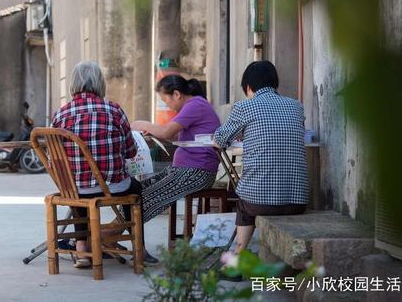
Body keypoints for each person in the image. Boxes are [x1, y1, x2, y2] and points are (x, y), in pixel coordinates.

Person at [51, 61, 156, 268]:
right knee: (136, 189)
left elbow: (53, 161)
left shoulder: (60, 115)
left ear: (73, 85)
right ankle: (139, 249)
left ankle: (82, 250)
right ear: (100, 84)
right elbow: (130, 152)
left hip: (77, 189)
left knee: (75, 187)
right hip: (113, 188)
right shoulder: (114, 110)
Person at [214, 60, 308, 254]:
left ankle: (237, 260)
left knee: (243, 205)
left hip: (260, 203)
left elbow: (219, 140)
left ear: (248, 87)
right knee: (251, 197)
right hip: (298, 201)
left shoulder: (244, 107)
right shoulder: (296, 106)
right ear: (275, 83)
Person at [131, 75, 221, 224]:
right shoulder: (194, 105)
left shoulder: (195, 105)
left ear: (177, 94)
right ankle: (114, 233)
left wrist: (143, 124)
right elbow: (175, 137)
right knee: (137, 191)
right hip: (184, 169)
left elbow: (167, 131)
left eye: (166, 101)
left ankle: (111, 234)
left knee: (146, 198)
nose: (168, 106)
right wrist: (155, 132)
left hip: (196, 171)